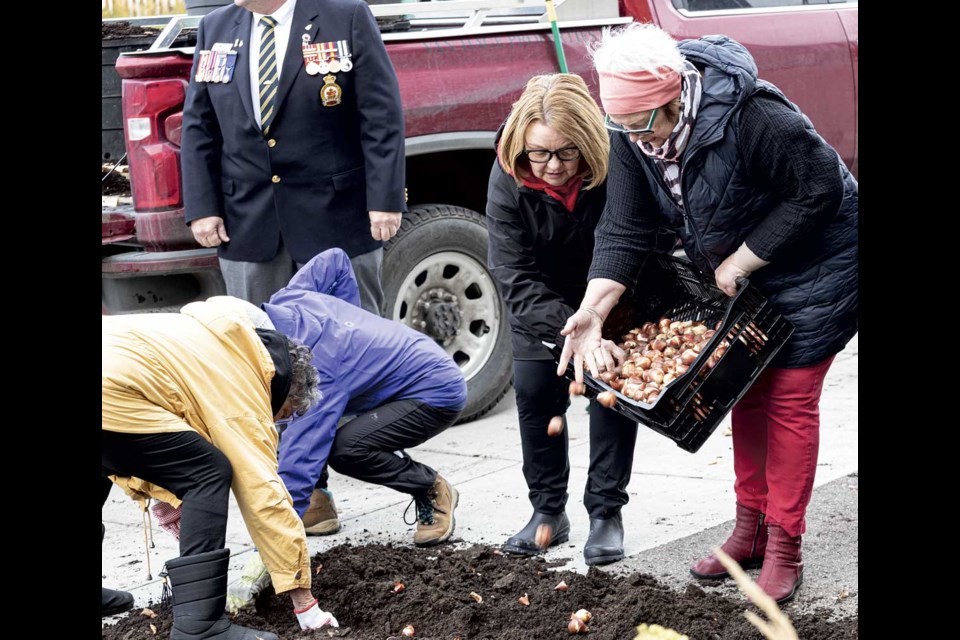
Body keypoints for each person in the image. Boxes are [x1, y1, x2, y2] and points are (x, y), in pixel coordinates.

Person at [557, 24, 858, 603]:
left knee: (789, 400)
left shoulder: (754, 115)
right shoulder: (631, 129)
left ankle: (785, 543)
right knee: (742, 388)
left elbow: (819, 187)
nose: (638, 141)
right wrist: (593, 308)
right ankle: (749, 528)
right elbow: (623, 225)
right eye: (625, 129)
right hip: (741, 274)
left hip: (818, 262)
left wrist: (743, 259)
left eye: (645, 125)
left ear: (674, 96)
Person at [219, 248, 467, 610]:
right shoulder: (285, 302)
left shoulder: (321, 370)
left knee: (345, 448)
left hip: (435, 391)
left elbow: (297, 465)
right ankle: (319, 508)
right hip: (390, 372)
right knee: (291, 418)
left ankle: (430, 486)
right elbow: (335, 261)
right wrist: (354, 319)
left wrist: (265, 558)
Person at [487, 74, 651, 566]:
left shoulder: (617, 166)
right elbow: (512, 274)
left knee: (609, 400)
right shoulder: (508, 178)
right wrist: (571, 326)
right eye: (539, 154)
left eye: (566, 153)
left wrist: (600, 319)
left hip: (610, 297)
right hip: (541, 305)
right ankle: (547, 512)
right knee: (537, 399)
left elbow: (640, 237)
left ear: (588, 145)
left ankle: (605, 512)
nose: (552, 167)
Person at [102, 299, 338, 638]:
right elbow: (264, 494)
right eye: (285, 414)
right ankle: (202, 626)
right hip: (110, 387)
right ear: (286, 387)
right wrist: (305, 605)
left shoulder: (214, 343)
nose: (279, 423)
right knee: (208, 472)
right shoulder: (243, 385)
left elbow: (154, 437)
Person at [182, 0, 406, 313]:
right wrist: (202, 207)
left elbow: (381, 117)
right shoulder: (215, 26)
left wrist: (385, 199)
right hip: (248, 224)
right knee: (261, 346)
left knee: (350, 344)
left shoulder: (346, 16)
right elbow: (199, 127)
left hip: (335, 218)